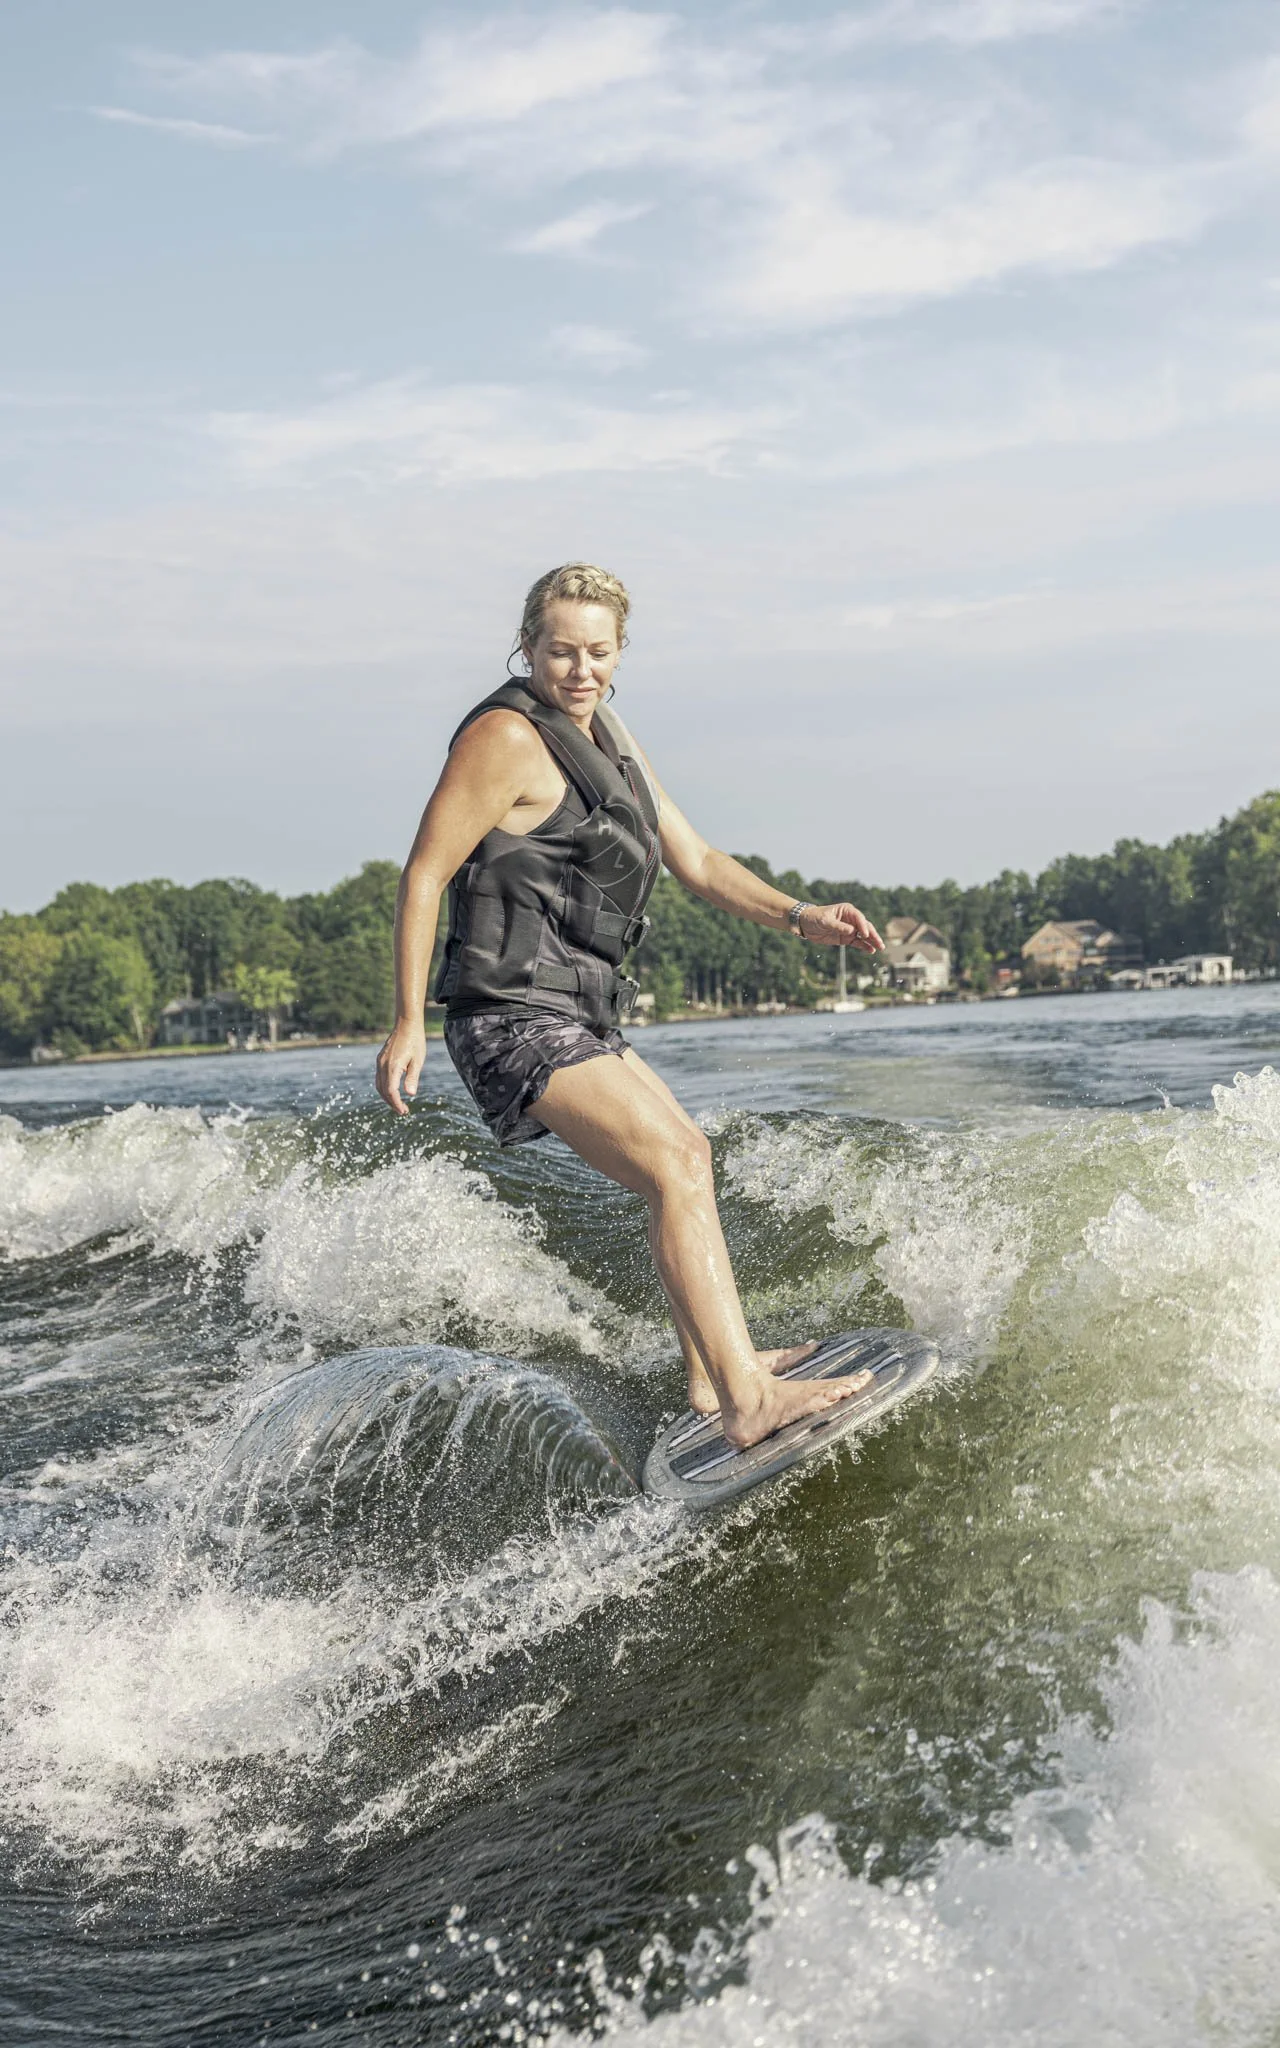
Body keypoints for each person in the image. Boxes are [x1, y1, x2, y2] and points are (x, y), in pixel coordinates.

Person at [376, 563, 885, 1448]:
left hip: (575, 1011)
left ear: (620, 653)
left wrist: (802, 916)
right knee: (677, 1163)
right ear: (527, 646)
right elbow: (424, 873)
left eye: (598, 653)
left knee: (688, 1162)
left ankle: (714, 1374)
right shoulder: (503, 738)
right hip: (506, 1013)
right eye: (561, 651)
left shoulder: (608, 736)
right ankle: (747, 1401)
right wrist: (407, 1021)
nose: (581, 671)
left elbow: (699, 862)